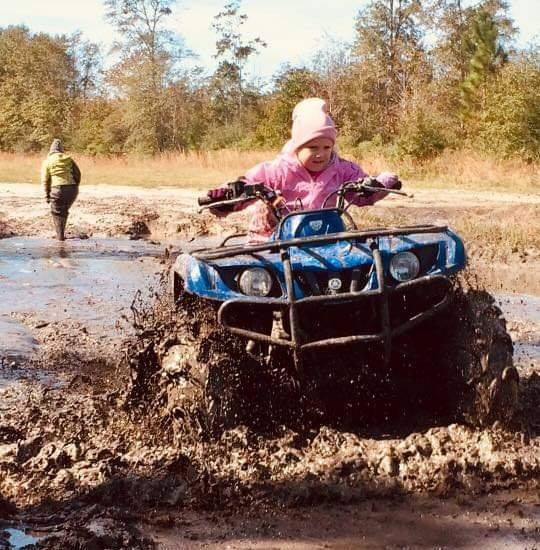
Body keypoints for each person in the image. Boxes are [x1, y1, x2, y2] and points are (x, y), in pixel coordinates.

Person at [206, 97, 401, 240]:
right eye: (312, 147)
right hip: (272, 241)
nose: (321, 154)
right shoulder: (276, 170)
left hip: (328, 239)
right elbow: (245, 184)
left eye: (327, 147)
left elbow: (365, 192)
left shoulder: (342, 169)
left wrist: (382, 182)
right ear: (298, 147)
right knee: (251, 277)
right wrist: (224, 197)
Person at [41, 139, 81, 241]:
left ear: (51, 151)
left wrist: (47, 195)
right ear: (61, 150)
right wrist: (75, 186)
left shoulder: (48, 161)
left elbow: (45, 180)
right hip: (72, 189)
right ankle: (62, 236)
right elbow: (78, 174)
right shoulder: (69, 159)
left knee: (56, 212)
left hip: (57, 189)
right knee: (63, 210)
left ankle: (60, 238)